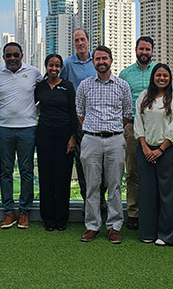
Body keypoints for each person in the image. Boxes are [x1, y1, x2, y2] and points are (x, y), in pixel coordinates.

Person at [77, 45, 132, 244]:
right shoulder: (84, 86)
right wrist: (95, 129)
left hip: (115, 139)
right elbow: (80, 113)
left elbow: (127, 114)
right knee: (92, 185)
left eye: (104, 58)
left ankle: (114, 226)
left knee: (115, 186)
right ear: (93, 62)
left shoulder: (122, 86)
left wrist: (111, 128)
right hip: (91, 138)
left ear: (111, 60)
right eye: (97, 59)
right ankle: (92, 226)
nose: (101, 62)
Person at [0, 42, 41, 229]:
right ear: (3, 57)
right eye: (8, 55)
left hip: (28, 128)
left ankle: (24, 211)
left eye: (15, 55)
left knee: (27, 171)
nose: (12, 58)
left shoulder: (34, 72)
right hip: (3, 128)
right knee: (5, 171)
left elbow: (42, 95)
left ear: (22, 55)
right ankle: (9, 212)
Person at [134, 63, 173, 246]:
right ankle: (147, 232)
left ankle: (167, 235)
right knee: (147, 194)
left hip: (169, 151)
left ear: (170, 78)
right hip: (146, 150)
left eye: (165, 75)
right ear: (153, 77)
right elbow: (138, 124)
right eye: (158, 75)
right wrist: (146, 148)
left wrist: (161, 149)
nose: (162, 78)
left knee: (169, 196)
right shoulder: (143, 97)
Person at [34, 54, 77, 231]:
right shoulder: (40, 87)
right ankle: (48, 218)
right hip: (44, 136)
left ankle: (61, 218)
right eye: (51, 65)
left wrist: (72, 137)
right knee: (46, 178)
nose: (54, 68)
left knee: (62, 178)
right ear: (46, 66)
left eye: (57, 66)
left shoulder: (67, 86)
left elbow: (74, 113)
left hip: (64, 137)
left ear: (61, 68)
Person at [118, 36, 156, 230]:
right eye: (141, 49)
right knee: (132, 171)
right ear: (135, 50)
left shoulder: (159, 72)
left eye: (147, 49)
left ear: (152, 51)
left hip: (156, 127)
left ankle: (152, 211)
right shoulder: (125, 74)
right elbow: (120, 102)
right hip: (132, 127)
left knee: (154, 171)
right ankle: (133, 212)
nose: (144, 52)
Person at [60, 28, 99, 203]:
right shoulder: (68, 64)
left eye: (83, 39)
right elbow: (61, 86)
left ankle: (101, 201)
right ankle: (87, 202)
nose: (80, 43)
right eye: (76, 40)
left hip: (99, 117)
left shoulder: (97, 61)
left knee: (101, 162)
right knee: (82, 162)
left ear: (88, 41)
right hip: (78, 120)